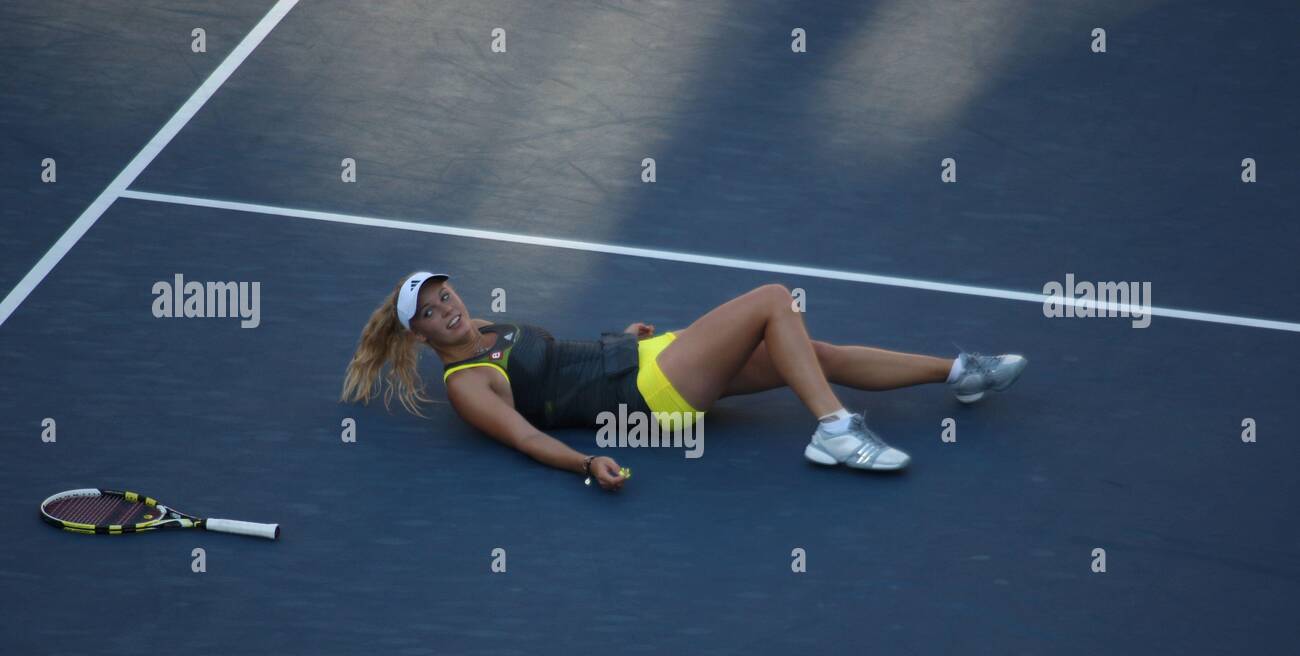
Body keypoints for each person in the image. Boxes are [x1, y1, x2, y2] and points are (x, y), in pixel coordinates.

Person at [341, 271, 1027, 490]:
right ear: (420, 337)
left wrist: (622, 337)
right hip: (649, 396)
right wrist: (586, 462)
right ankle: (835, 430)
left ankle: (959, 373)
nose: (446, 309)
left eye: (443, 295)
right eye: (429, 312)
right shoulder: (467, 384)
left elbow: (561, 361)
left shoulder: (486, 327)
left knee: (808, 350)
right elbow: (524, 436)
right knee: (770, 301)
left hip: (644, 361)